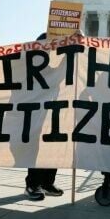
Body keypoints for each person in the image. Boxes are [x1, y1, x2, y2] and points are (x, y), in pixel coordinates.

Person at [24, 32, 64, 200]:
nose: (48, 49)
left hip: (53, 112)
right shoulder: (29, 64)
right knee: (35, 149)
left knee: (52, 148)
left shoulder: (55, 66)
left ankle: (47, 182)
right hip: (34, 113)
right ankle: (32, 185)